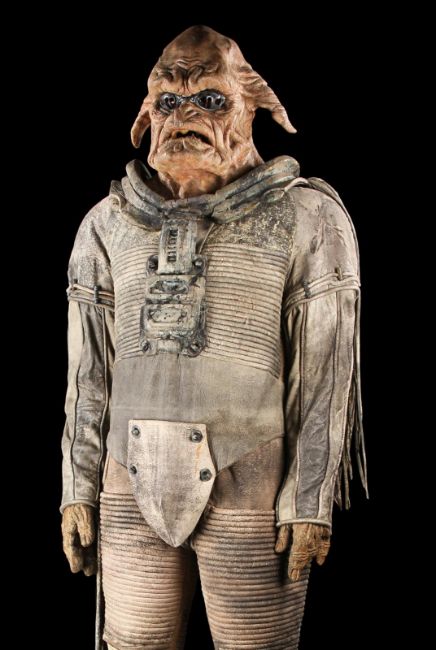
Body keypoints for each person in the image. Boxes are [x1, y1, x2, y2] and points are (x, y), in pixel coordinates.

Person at [60, 25, 368, 650]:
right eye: (168, 102)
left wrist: (308, 500)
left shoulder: (309, 217)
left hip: (251, 479)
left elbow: (325, 375)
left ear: (254, 107)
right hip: (127, 481)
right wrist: (77, 488)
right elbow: (88, 375)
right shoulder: (106, 225)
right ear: (146, 117)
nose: (184, 118)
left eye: (209, 100)